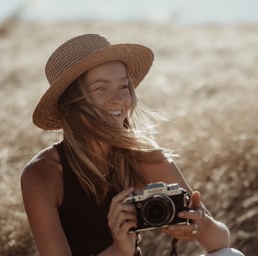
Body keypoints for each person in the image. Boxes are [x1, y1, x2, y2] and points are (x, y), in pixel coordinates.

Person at [21, 34, 241, 256]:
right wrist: (119, 250)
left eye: (124, 86)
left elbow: (220, 242)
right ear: (70, 103)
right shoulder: (42, 175)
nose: (118, 99)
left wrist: (200, 225)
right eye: (101, 88)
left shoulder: (144, 156)